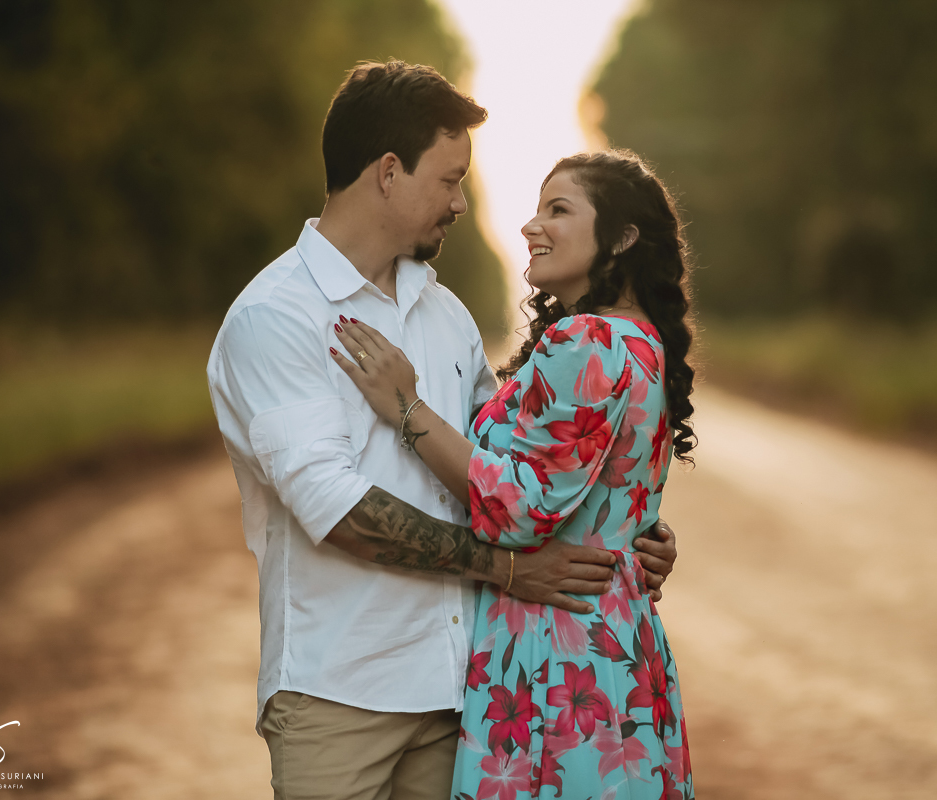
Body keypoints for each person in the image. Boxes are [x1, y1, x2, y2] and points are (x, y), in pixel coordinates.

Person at [206, 62, 678, 800]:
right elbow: (337, 509)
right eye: (449, 180)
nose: (461, 204)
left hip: (459, 693)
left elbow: (522, 462)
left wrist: (623, 529)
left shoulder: (443, 313)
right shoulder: (277, 317)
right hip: (342, 695)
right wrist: (512, 571)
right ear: (389, 173)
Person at [330, 149, 696, 799]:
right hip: (621, 645)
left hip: (557, 651)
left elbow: (518, 508)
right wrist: (644, 532)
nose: (532, 226)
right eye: (534, 209)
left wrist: (406, 408)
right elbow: (597, 484)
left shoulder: (584, 341)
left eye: (558, 210)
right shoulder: (643, 344)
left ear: (623, 237)